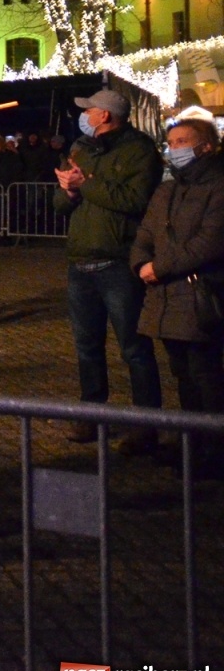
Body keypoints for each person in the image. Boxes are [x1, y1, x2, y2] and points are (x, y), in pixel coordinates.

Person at [55, 89, 165, 452]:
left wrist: (86, 185)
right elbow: (60, 203)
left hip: (117, 260)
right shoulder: (82, 148)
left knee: (133, 347)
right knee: (87, 346)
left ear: (107, 115)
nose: (84, 115)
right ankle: (92, 413)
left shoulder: (139, 150)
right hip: (80, 260)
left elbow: (133, 200)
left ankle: (146, 424)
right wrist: (68, 191)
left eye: (90, 110)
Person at [130, 108, 224, 477]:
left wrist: (161, 267)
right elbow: (146, 233)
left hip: (200, 293)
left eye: (181, 143)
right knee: (182, 375)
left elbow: (210, 242)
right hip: (167, 296)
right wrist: (140, 263)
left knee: (206, 375)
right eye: (170, 144)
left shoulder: (217, 187)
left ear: (205, 147)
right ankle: (192, 442)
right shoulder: (168, 188)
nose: (173, 150)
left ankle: (213, 450)